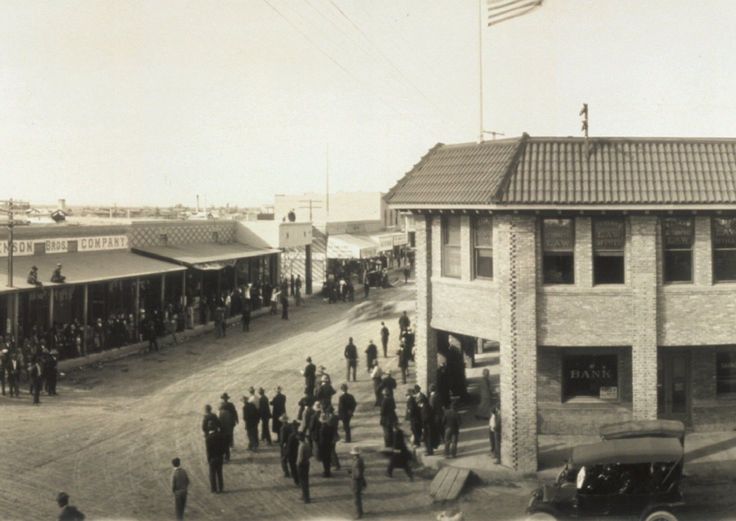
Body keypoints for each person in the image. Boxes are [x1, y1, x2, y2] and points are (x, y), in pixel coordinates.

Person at [205, 424, 225, 493]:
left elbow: (208, 450)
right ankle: (221, 488)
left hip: (212, 458)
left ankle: (214, 489)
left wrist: (208, 458)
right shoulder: (220, 436)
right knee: (219, 473)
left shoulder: (208, 438)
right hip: (220, 457)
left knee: (212, 474)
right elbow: (223, 447)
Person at [350, 447, 367, 519]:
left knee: (356, 499)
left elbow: (358, 474)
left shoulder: (356, 462)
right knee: (358, 497)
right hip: (360, 481)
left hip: (356, 482)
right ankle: (361, 511)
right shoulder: (360, 460)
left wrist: (352, 474)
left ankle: (358, 514)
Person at [296, 431, 312, 503]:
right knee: (306, 481)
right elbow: (310, 454)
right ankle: (304, 495)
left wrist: (298, 464)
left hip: (302, 465)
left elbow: (300, 458)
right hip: (307, 463)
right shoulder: (307, 444)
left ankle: (306, 498)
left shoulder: (301, 446)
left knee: (303, 481)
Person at [278, 414, 294, 478]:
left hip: (285, 445)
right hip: (291, 444)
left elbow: (282, 439)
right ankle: (293, 471)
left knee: (283, 459)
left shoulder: (283, 428)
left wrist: (281, 445)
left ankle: (286, 472)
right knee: (291, 459)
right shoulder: (291, 426)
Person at [287, 421, 301, 486]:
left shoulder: (291, 436)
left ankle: (296, 481)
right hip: (299, 453)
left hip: (292, 454)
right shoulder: (300, 434)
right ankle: (299, 480)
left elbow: (289, 448)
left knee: (293, 468)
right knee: (298, 467)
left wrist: (287, 455)